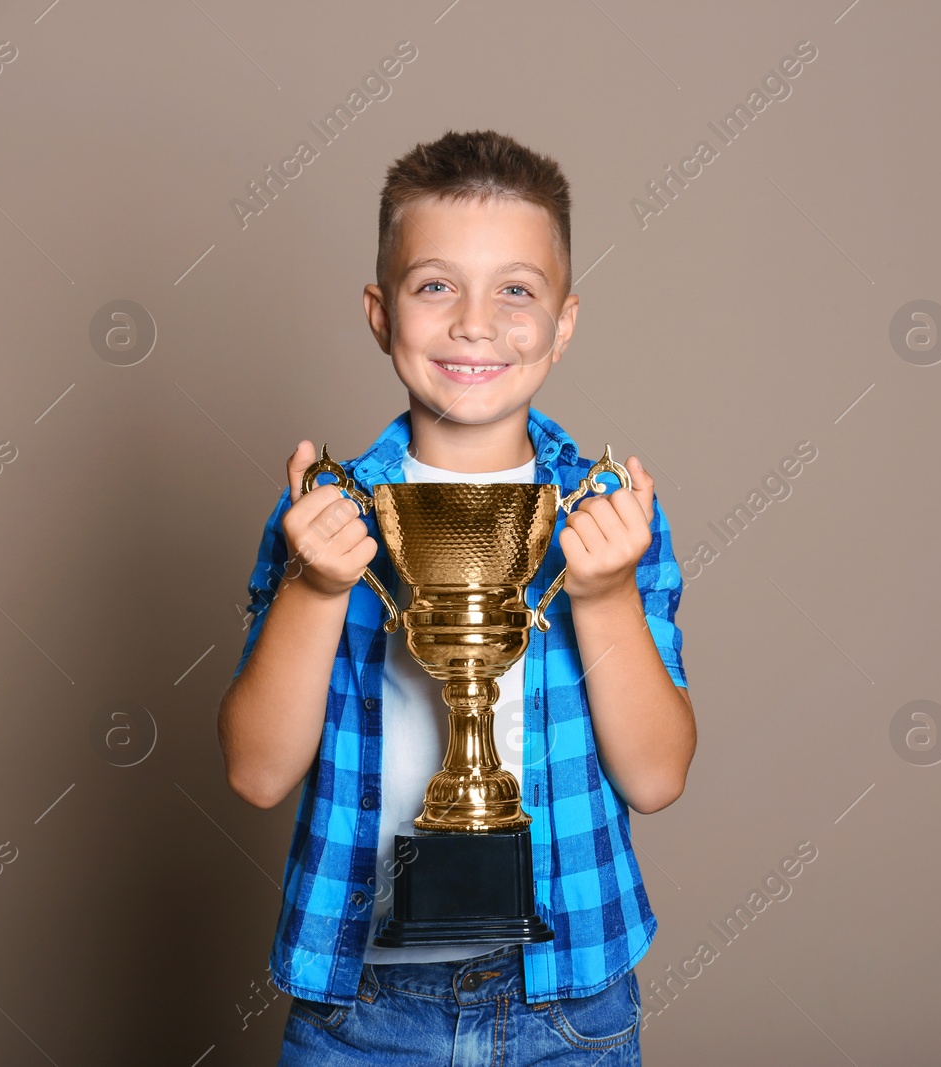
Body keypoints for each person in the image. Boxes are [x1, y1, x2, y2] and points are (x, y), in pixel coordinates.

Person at [217, 128, 696, 1065]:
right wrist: (318, 588)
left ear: (562, 324)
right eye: (436, 285)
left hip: (569, 1000)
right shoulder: (324, 513)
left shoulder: (611, 516)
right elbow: (257, 773)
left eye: (516, 289)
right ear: (380, 312)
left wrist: (601, 597)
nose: (476, 322)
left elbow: (657, 776)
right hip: (363, 1007)